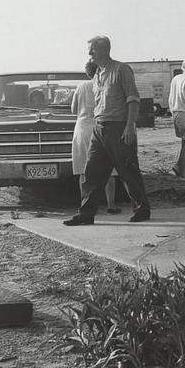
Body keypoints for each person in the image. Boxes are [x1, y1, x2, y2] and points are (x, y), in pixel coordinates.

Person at [64, 35, 151, 226]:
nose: (89, 54)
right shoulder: (96, 75)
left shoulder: (122, 70)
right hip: (99, 128)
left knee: (128, 172)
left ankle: (142, 209)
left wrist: (130, 127)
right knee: (92, 172)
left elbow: (133, 99)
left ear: (104, 50)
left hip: (119, 128)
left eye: (92, 50)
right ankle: (86, 214)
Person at [70, 60, 120, 214]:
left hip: (82, 127)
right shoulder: (105, 86)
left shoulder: (81, 86)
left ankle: (85, 205)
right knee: (108, 169)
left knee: (83, 169)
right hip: (100, 126)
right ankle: (110, 204)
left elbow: (73, 110)